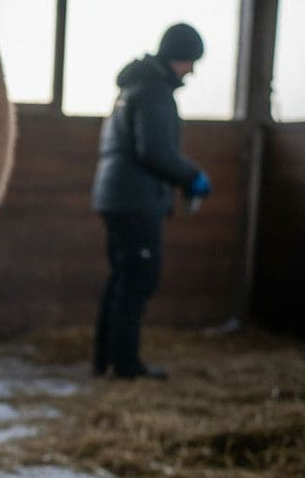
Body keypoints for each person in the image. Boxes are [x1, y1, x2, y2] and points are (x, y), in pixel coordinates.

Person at [90, 22, 211, 380]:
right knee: (138, 281)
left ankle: (105, 362)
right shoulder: (155, 91)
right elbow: (155, 151)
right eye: (191, 61)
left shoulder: (133, 87)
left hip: (118, 197)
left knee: (122, 280)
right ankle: (125, 367)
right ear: (179, 56)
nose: (192, 71)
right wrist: (193, 177)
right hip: (136, 201)